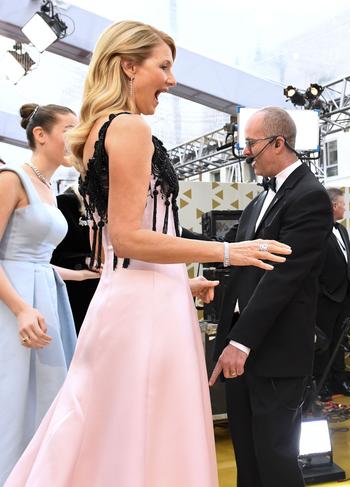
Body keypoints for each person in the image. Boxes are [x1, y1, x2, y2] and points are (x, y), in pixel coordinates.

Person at [5, 21, 290, 487]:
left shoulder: (97, 129)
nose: (172, 80)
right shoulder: (130, 127)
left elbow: (120, 248)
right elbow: (132, 237)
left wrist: (183, 280)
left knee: (110, 434)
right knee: (151, 433)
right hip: (146, 311)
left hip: (129, 299)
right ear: (128, 67)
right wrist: (229, 250)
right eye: (164, 66)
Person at [209, 107, 332, 487]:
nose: (245, 152)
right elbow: (230, 254)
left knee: (276, 459)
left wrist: (240, 343)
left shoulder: (309, 197)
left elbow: (284, 280)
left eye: (251, 143)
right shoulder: (257, 202)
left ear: (279, 143)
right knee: (247, 456)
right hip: (244, 348)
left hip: (275, 352)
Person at [0, 103, 101, 484]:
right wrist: (21, 308)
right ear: (40, 135)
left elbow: (37, 260)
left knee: (46, 398)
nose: (76, 138)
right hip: (14, 305)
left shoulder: (48, 186)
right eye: (69, 129)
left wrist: (79, 276)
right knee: (12, 400)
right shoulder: (12, 178)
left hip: (45, 296)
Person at [314, 187, 350, 401]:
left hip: (345, 296)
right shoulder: (317, 232)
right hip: (325, 297)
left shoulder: (342, 231)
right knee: (323, 343)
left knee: (341, 340)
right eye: (343, 203)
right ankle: (322, 384)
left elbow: (345, 261)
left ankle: (340, 381)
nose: (345, 207)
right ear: (333, 205)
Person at [51, 185, 100, 333]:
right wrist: (84, 260)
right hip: (76, 293)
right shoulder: (65, 203)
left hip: (107, 288)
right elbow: (52, 256)